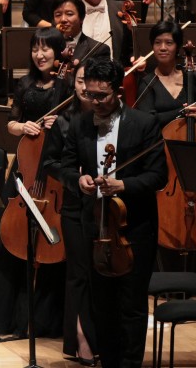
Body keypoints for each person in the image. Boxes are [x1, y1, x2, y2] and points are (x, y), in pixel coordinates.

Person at [59, 58, 166, 368]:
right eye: (90, 95)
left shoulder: (144, 124)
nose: (95, 102)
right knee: (100, 305)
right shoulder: (80, 123)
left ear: (118, 91)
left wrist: (123, 184)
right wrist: (77, 179)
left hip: (134, 229)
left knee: (131, 306)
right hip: (94, 228)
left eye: (102, 96)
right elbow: (65, 166)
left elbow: (159, 175)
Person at [0, 27, 69, 337]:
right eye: (36, 48)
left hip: (53, 174)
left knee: (55, 244)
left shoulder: (66, 86)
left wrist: (60, 122)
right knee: (10, 242)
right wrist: (21, 126)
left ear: (58, 51)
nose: (40, 54)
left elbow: (76, 123)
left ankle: (48, 316)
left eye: (47, 48)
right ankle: (11, 315)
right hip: (25, 171)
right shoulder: (24, 84)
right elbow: (10, 122)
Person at [42, 62, 97, 365]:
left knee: (99, 273)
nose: (86, 86)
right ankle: (79, 337)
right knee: (78, 273)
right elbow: (49, 163)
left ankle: (100, 333)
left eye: (91, 80)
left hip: (108, 206)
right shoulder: (64, 122)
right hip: (74, 204)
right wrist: (72, 177)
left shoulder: (112, 119)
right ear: (73, 85)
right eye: (80, 80)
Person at [135, 20, 196, 127]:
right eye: (157, 42)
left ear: (177, 47)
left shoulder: (193, 78)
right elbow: (148, 121)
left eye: (169, 43)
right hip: (159, 141)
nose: (163, 48)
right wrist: (182, 112)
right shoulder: (146, 83)